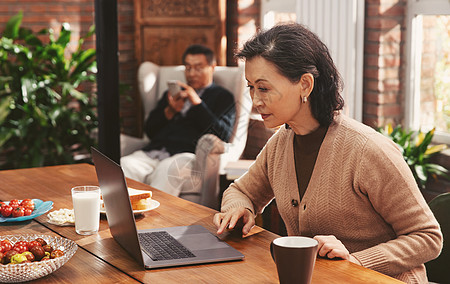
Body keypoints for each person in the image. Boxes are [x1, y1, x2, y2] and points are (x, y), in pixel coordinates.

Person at [213, 23, 442, 283]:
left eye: (263, 88)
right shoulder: (281, 143)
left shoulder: (367, 150)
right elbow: (241, 191)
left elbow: (427, 237)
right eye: (250, 87)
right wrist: (238, 208)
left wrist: (357, 261)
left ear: (305, 85)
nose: (255, 100)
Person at [121, 44, 236, 201]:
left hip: (187, 155)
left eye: (198, 68)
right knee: (124, 165)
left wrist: (197, 104)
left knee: (168, 169)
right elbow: (150, 130)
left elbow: (222, 134)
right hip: (153, 152)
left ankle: (155, 224)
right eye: (188, 68)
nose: (192, 73)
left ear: (212, 67)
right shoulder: (172, 94)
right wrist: (169, 111)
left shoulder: (222, 97)